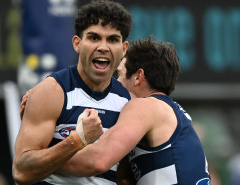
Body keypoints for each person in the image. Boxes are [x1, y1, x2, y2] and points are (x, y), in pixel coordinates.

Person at [49, 37, 212, 184]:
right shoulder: (171, 112)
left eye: (119, 74)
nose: (115, 82)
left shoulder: (144, 106)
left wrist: (42, 159)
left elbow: (98, 160)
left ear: (138, 77)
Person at [12, 1, 132, 185]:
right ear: (77, 43)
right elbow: (21, 172)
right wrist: (77, 140)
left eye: (113, 39)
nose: (103, 47)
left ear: (124, 49)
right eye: (94, 37)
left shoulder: (129, 102)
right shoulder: (51, 92)